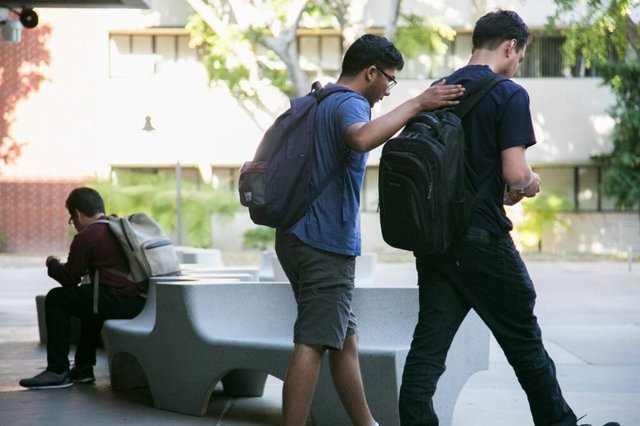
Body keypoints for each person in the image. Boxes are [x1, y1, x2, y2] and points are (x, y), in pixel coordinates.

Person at [398, 10, 619, 426]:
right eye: (521, 55)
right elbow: (516, 174)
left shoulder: (439, 90)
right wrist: (530, 184)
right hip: (482, 238)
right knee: (524, 341)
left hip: (436, 241)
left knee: (429, 346)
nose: (519, 63)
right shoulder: (508, 93)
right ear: (510, 46)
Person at [275, 34, 465, 425]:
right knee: (312, 342)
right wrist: (418, 104)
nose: (388, 90)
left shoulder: (322, 99)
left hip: (295, 236)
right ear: (371, 72)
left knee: (344, 339)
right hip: (324, 243)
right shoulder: (350, 102)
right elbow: (361, 138)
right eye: (389, 80)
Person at [19, 187, 145, 389]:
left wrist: (52, 263)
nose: (74, 224)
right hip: (140, 301)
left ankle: (57, 370)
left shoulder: (88, 236)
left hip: (118, 301)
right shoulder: (117, 227)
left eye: (72, 219)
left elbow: (69, 279)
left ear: (77, 214)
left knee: (56, 298)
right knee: (90, 298)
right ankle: (83, 368)